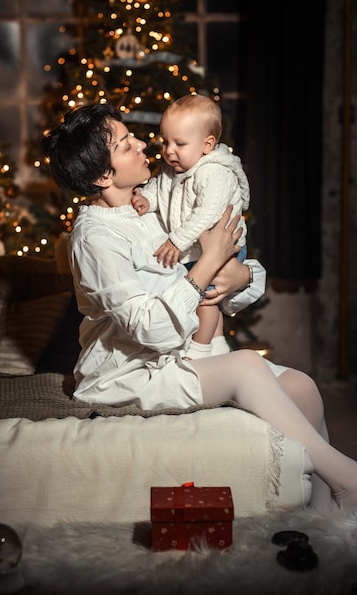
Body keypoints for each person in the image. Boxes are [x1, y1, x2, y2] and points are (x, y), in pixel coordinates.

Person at [43, 102, 357, 508]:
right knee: (246, 365)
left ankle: (325, 520)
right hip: (132, 371)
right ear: (104, 175)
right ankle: (346, 479)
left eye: (132, 136)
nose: (142, 145)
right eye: (125, 145)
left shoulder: (151, 202)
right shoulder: (94, 238)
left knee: (303, 388)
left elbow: (221, 259)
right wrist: (207, 264)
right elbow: (150, 328)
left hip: (185, 352)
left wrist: (242, 275)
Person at [131, 94, 251, 359]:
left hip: (223, 247)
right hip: (197, 249)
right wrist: (146, 200)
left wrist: (177, 241)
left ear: (207, 145)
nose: (169, 150)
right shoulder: (172, 167)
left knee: (204, 301)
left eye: (179, 143)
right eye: (166, 141)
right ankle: (218, 349)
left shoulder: (215, 173)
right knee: (207, 303)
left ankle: (197, 352)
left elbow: (206, 214)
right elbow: (160, 191)